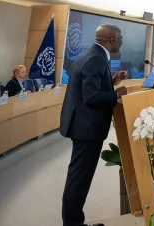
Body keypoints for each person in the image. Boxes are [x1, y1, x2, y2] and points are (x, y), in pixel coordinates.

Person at [60, 25, 128, 226]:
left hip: (84, 125)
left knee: (79, 179)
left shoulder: (90, 54)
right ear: (112, 39)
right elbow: (91, 96)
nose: (122, 42)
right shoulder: (96, 59)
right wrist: (116, 94)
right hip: (87, 129)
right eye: (120, 37)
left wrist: (112, 82)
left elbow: (89, 88)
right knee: (78, 180)